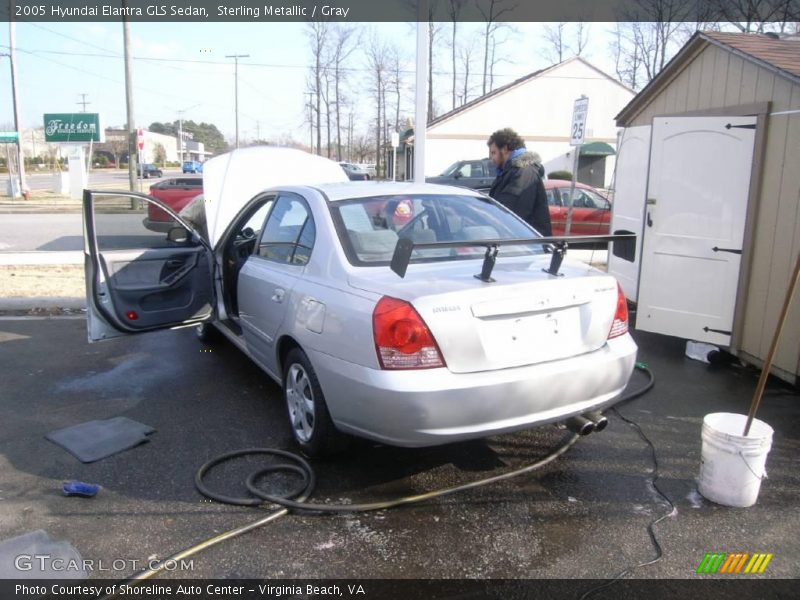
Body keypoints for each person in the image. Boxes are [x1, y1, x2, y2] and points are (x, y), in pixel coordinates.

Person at [487, 128, 551, 236]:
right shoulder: (508, 171)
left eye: (493, 153)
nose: (491, 158)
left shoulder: (524, 172)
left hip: (527, 243)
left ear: (505, 149)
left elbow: (510, 212)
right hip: (517, 239)